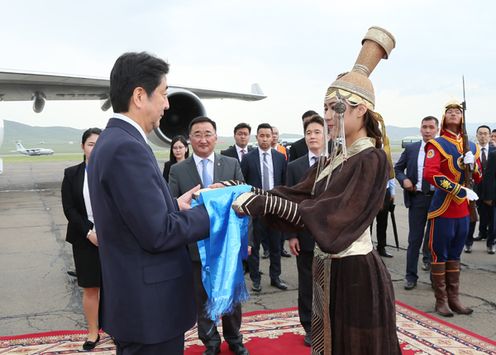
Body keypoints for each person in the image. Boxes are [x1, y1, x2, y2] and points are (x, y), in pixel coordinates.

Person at [233, 26, 400, 354]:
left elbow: (334, 216)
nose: (326, 117)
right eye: (324, 108)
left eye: (334, 109)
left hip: (355, 274)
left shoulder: (372, 159)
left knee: (354, 345)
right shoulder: (332, 157)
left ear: (360, 110)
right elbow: (299, 194)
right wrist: (248, 191)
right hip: (328, 268)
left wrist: (263, 204)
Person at [88, 52, 210, 354]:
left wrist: (172, 204)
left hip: (137, 303)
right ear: (140, 96)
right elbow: (158, 233)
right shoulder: (127, 148)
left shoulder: (112, 141)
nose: (167, 105)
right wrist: (213, 212)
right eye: (164, 94)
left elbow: (132, 215)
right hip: (150, 310)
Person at [168, 116, 248, 355]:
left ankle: (235, 339)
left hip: (227, 245)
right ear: (189, 139)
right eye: (197, 134)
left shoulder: (231, 164)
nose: (203, 139)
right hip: (195, 247)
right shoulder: (178, 170)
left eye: (207, 133)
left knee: (231, 294)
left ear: (216, 136)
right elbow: (171, 205)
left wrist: (247, 242)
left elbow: (245, 201)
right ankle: (211, 342)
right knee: (202, 297)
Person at [423, 100, 482, 317]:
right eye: (449, 111)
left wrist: (473, 165)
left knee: (456, 254)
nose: (454, 114)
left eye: (457, 111)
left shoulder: (472, 147)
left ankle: (454, 298)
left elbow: (479, 176)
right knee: (439, 254)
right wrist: (459, 190)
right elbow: (430, 174)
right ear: (444, 117)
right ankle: (441, 301)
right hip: (443, 209)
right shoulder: (437, 144)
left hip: (464, 212)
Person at [286, 114, 325, 347]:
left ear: (326, 135)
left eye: (317, 132)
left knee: (331, 283)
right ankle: (309, 326)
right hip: (305, 236)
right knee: (308, 285)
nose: (312, 136)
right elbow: (289, 203)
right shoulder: (295, 167)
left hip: (332, 237)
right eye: (309, 133)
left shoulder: (338, 161)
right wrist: (291, 234)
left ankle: (329, 323)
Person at [61, 127, 102, 351]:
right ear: (83, 147)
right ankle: (93, 332)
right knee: (91, 287)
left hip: (112, 238)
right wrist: (89, 232)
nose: (95, 149)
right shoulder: (71, 174)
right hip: (84, 238)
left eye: (99, 145)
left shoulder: (113, 173)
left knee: (115, 287)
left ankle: (116, 329)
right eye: (90, 144)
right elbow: (69, 209)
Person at [241, 123, 287, 292]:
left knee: (276, 246)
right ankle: (256, 279)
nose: (265, 139)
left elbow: (284, 184)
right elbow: (243, 184)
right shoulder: (248, 158)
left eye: (268, 135)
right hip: (255, 211)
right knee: (254, 247)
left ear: (273, 137)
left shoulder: (280, 158)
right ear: (257, 137)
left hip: (274, 210)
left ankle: (275, 277)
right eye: (262, 135)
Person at [394, 116, 439, 290]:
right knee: (414, 239)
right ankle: (410, 276)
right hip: (418, 198)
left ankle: (435, 276)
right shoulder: (412, 149)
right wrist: (404, 180)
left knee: (436, 239)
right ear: (420, 129)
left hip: (438, 200)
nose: (427, 130)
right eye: (424, 127)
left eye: (431, 127)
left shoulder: (443, 149)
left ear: (437, 129)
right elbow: (398, 168)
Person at [465, 125, 494, 249]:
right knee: (471, 218)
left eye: (486, 133)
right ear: (476, 135)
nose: (483, 136)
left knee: (492, 220)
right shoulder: (471, 151)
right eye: (480, 133)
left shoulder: (494, 151)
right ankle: (468, 243)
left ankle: (491, 244)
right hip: (474, 190)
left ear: (489, 136)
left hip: (491, 192)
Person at [374, 179, 395, 257]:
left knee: (383, 222)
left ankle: (381, 247)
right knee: (367, 222)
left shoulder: (387, 165)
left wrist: (392, 192)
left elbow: (391, 175)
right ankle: (368, 248)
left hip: (384, 190)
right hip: (369, 190)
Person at [481, 149, 496, 254]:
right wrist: (488, 196)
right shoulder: (494, 154)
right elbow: (489, 176)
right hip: (494, 195)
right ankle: (491, 243)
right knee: (494, 223)